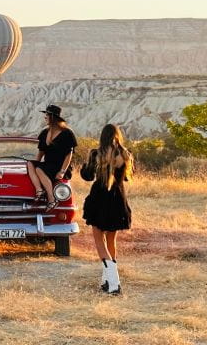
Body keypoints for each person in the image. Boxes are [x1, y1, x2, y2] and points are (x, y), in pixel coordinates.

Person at [81, 123, 133, 295]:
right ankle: (107, 280)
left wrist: (84, 165)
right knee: (111, 241)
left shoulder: (96, 154)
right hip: (118, 198)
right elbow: (126, 178)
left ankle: (114, 281)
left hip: (99, 199)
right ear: (117, 135)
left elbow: (87, 176)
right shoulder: (125, 154)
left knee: (99, 241)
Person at [26, 104, 78, 211]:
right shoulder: (44, 133)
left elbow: (69, 154)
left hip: (60, 166)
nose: (45, 117)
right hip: (47, 165)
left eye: (47, 115)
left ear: (53, 117)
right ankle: (39, 190)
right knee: (30, 164)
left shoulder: (67, 133)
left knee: (39, 169)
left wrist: (62, 171)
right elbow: (41, 152)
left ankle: (51, 198)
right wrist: (36, 164)